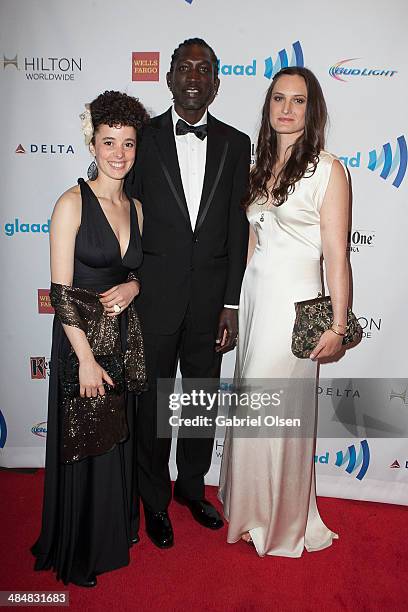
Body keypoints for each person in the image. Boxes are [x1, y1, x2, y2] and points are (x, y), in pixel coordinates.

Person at [218, 67, 350, 557]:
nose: (287, 109)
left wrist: (339, 324)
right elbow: (253, 242)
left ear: (310, 110)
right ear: (268, 106)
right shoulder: (259, 167)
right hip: (255, 299)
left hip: (294, 306)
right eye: (279, 99)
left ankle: (280, 518)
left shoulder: (328, 169)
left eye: (298, 100)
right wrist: (234, 305)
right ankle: (251, 508)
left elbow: (337, 255)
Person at [128, 38, 250, 548]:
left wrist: (230, 303)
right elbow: (123, 216)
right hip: (152, 300)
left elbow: (236, 229)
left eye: (205, 69)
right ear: (170, 76)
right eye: (186, 67)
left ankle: (193, 488)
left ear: (217, 82)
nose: (195, 76)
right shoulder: (142, 138)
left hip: (209, 305)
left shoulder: (236, 142)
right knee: (153, 408)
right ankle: (154, 500)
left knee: (201, 402)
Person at [31, 91, 149, 586]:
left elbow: (133, 272)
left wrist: (135, 283)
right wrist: (83, 359)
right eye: (108, 142)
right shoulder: (70, 203)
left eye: (127, 143)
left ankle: (113, 531)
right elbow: (61, 293)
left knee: (116, 437)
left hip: (122, 338)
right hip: (80, 340)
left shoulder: (137, 207)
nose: (118, 153)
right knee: (87, 443)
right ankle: (81, 546)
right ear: (92, 142)